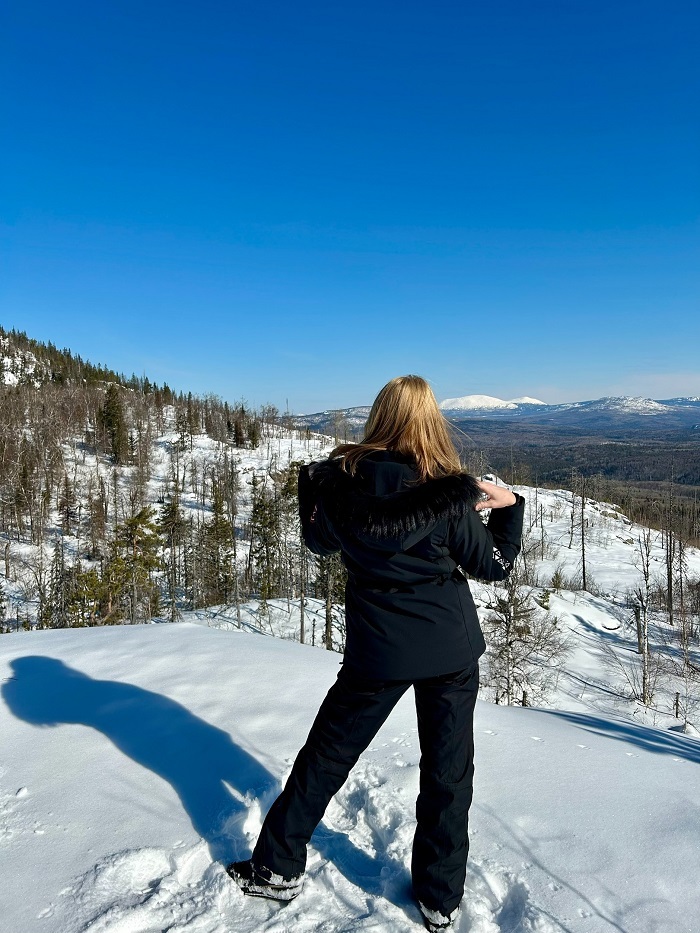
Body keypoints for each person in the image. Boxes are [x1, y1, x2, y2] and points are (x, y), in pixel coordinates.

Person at [228, 375, 525, 932]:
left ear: (379, 416)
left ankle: (276, 867)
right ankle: (438, 898)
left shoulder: (342, 487)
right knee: (447, 773)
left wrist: (313, 490)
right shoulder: (447, 493)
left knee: (325, 757)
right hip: (449, 650)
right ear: (430, 420)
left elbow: (318, 542)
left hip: (377, 649)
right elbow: (496, 566)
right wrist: (511, 507)